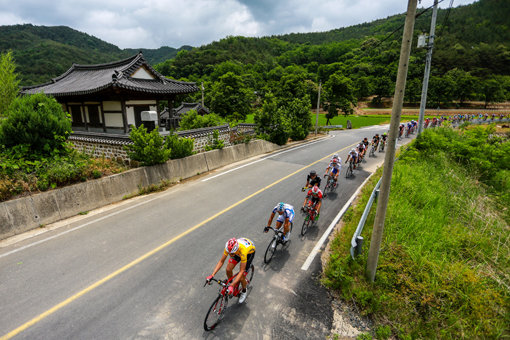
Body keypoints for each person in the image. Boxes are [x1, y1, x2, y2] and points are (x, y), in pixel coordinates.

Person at [206, 237, 256, 304]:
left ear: (236, 249)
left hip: (248, 254)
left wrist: (232, 285)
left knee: (241, 277)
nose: (230, 255)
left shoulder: (243, 251)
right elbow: (221, 261)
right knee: (228, 269)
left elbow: (241, 271)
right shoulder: (228, 248)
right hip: (237, 252)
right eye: (229, 253)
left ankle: (244, 291)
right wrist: (212, 274)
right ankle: (232, 284)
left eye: (231, 253)